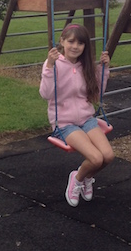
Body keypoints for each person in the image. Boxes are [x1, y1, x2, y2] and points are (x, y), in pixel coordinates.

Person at [39, 23, 115, 207]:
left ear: (84, 46)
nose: (75, 46)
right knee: (96, 158)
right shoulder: (54, 65)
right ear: (62, 42)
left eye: (80, 43)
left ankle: (87, 177)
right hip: (65, 123)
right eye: (71, 41)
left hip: (87, 119)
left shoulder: (86, 65)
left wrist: (104, 70)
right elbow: (46, 94)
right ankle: (77, 178)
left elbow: (96, 93)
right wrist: (49, 66)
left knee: (108, 156)